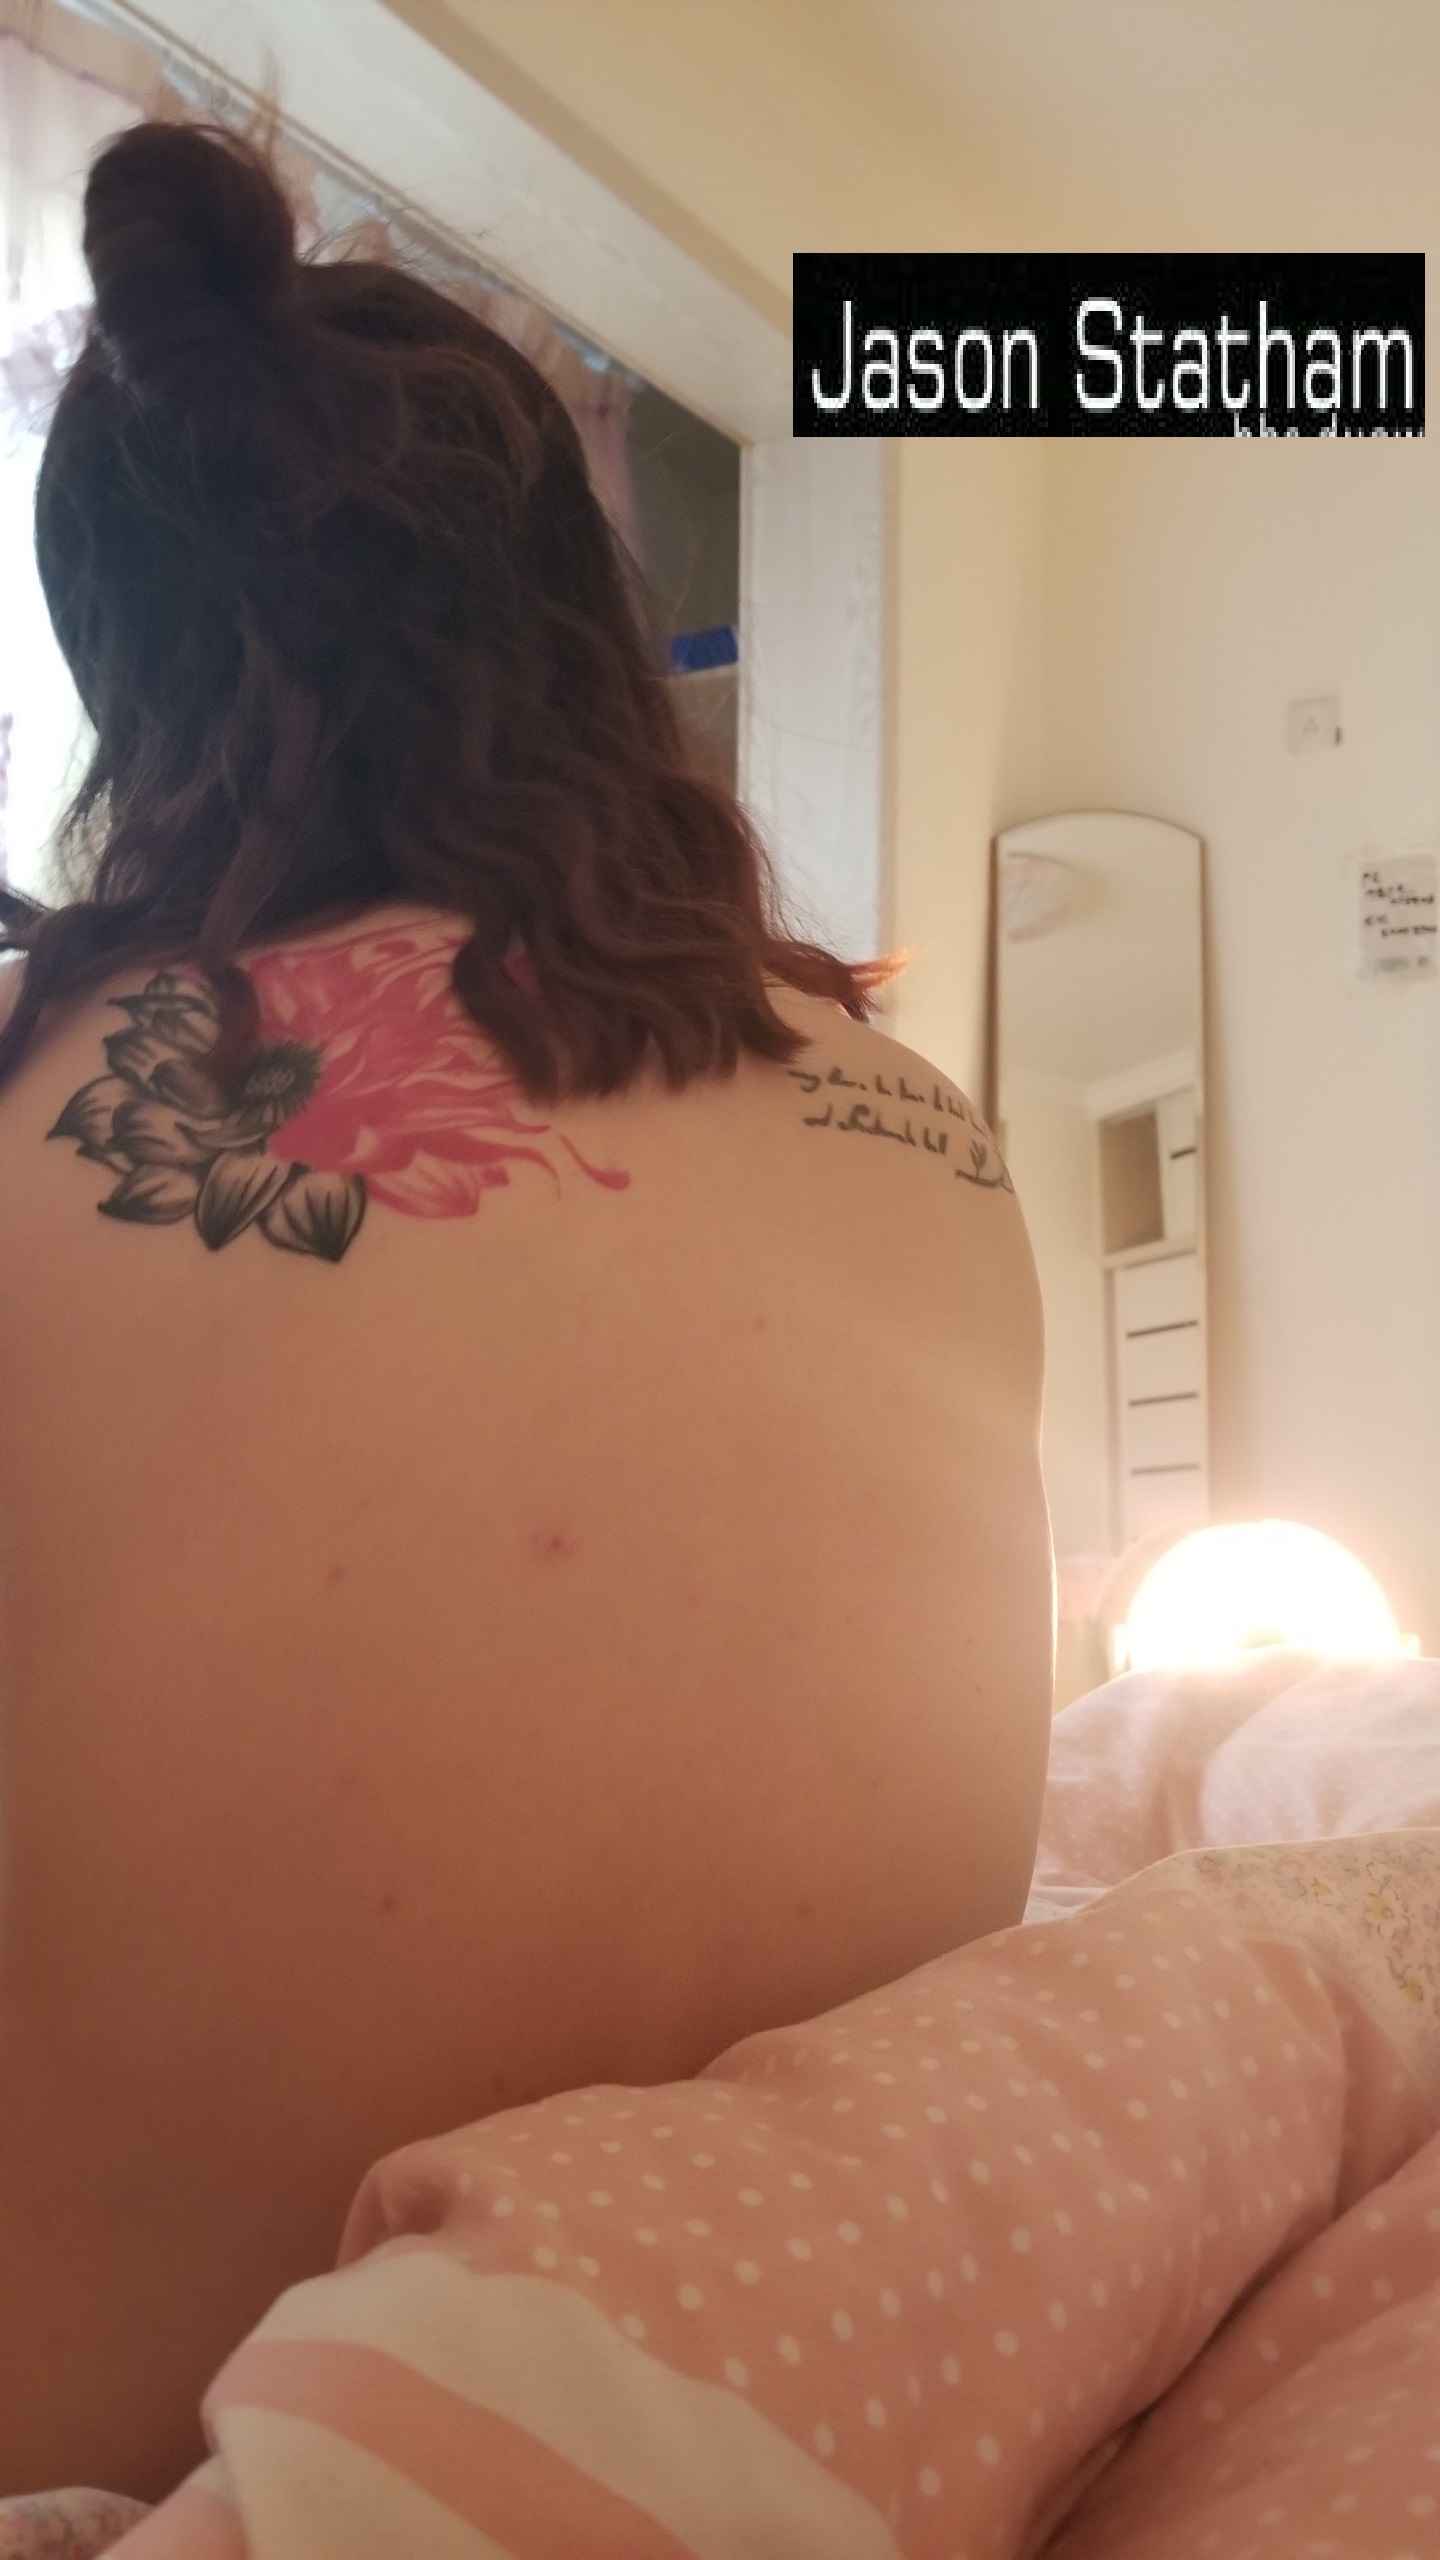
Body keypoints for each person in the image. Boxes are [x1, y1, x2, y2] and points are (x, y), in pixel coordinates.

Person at [0, 120, 1052, 2503]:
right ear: (583, 617)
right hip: (831, 2428)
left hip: (157, 2469)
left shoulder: (37, 1100)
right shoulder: (928, 1132)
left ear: (124, 682)